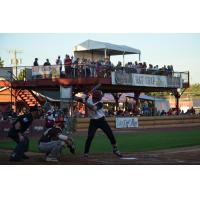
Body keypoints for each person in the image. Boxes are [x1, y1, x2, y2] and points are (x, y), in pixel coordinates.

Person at [75, 90, 122, 157]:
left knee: (110, 134)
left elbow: (94, 108)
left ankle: (115, 149)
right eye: (99, 96)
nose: (100, 97)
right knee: (90, 136)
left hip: (101, 120)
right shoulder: (88, 99)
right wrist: (82, 97)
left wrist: (84, 102)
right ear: (95, 97)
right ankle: (86, 153)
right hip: (93, 121)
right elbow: (76, 98)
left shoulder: (100, 102)